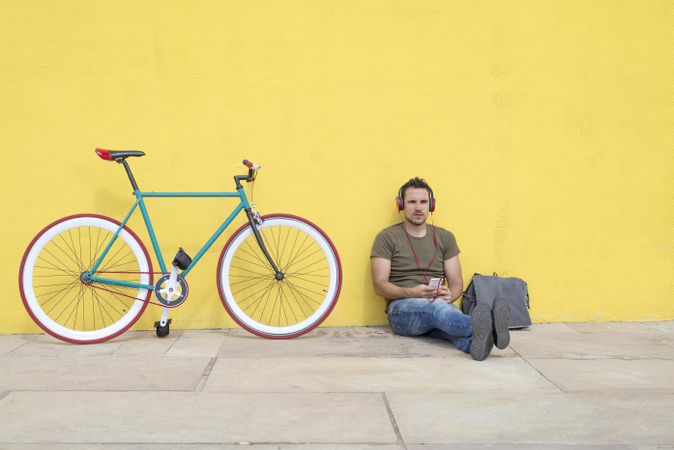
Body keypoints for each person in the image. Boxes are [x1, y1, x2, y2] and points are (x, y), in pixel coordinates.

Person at [370, 177, 510, 361]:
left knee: (445, 318)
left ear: (431, 205)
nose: (418, 208)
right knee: (437, 309)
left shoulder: (445, 237)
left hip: (440, 306)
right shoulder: (386, 237)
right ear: (401, 205)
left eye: (423, 202)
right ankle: (492, 327)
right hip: (401, 310)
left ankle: (475, 344)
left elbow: (456, 283)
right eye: (412, 202)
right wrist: (412, 292)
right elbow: (379, 286)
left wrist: (449, 296)